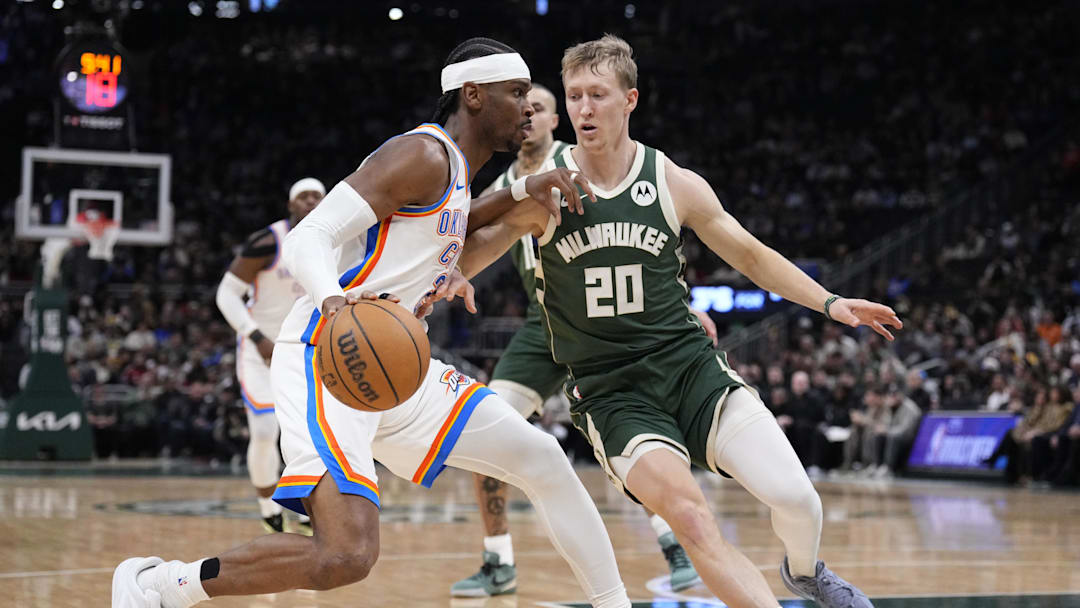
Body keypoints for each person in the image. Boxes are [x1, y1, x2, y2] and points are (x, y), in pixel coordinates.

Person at [112, 38, 632, 608]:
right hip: (329, 357)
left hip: (397, 368)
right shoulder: (422, 154)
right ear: (474, 96)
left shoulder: (456, 172)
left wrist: (517, 190)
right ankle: (160, 586)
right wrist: (335, 302)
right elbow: (313, 235)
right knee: (344, 557)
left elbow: (456, 216)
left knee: (542, 457)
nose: (530, 108)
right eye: (516, 94)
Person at [459, 35, 901, 608]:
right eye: (574, 96)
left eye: (597, 94)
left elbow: (750, 255)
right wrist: (451, 271)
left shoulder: (672, 182)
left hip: (691, 368)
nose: (584, 109)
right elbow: (482, 242)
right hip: (611, 390)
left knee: (797, 499)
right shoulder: (550, 185)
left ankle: (805, 571)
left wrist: (829, 302)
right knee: (692, 517)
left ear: (630, 100)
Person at [452, 84, 701, 597]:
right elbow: (465, 246)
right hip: (541, 331)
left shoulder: (585, 162)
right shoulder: (503, 186)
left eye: (538, 107)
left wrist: (685, 307)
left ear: (554, 121)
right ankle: (498, 561)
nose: (527, 114)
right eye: (520, 108)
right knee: (483, 434)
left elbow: (649, 246)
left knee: (632, 443)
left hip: (603, 328)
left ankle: (674, 544)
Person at [214, 177, 325, 534]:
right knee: (264, 431)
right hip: (260, 346)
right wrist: (257, 337)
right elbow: (226, 295)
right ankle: (267, 508)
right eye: (303, 197)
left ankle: (305, 506)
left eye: (317, 197)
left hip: (303, 347)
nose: (311, 201)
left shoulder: (335, 244)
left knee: (307, 432)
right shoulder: (266, 242)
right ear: (291, 205)